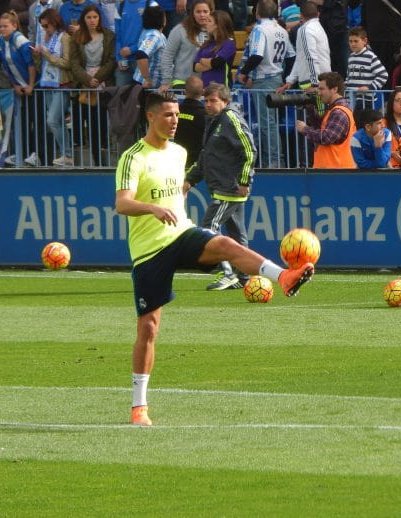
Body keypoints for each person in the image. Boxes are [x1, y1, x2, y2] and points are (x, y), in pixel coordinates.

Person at [115, 91, 314, 425]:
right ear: (150, 117)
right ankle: (139, 407)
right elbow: (122, 204)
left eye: (177, 114)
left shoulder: (179, 153)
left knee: (223, 243)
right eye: (167, 115)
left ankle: (284, 277)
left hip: (180, 234)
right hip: (148, 250)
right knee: (149, 328)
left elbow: (179, 187)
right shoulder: (134, 157)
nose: (174, 120)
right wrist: (151, 207)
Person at [185, 82, 256, 290]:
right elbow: (206, 156)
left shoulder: (230, 119)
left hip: (229, 188)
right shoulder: (214, 120)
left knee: (208, 229)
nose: (208, 104)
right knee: (237, 235)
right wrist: (191, 179)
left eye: (213, 100)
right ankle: (245, 279)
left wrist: (245, 181)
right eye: (206, 100)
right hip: (222, 186)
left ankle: (228, 273)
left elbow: (250, 151)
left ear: (225, 101)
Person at [236, 0, 294, 168]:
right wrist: (284, 76)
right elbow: (291, 56)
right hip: (277, 78)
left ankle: (274, 162)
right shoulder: (281, 30)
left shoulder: (259, 29)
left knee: (266, 124)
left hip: (263, 80)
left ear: (256, 13)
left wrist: (244, 73)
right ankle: (276, 160)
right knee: (271, 122)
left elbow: (257, 55)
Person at [69, 4, 116, 167]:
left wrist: (98, 77)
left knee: (101, 121)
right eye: (88, 17)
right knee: (86, 122)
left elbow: (111, 60)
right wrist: (87, 79)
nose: (92, 20)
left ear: (100, 18)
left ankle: (102, 157)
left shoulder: (109, 36)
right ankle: (89, 159)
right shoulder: (77, 37)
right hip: (84, 84)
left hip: (103, 83)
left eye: (95, 17)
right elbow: (73, 63)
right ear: (84, 19)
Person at [32, 9, 73, 168]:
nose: (44, 29)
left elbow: (67, 63)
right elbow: (41, 67)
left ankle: (67, 154)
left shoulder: (65, 38)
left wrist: (47, 54)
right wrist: (37, 55)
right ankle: (65, 154)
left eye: (46, 25)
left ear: (54, 22)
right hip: (47, 83)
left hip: (62, 84)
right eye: (42, 26)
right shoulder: (45, 38)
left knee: (52, 120)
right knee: (56, 122)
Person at [0, 11, 38, 166]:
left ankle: (36, 154)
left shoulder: (20, 40)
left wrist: (31, 85)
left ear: (14, 26)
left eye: (5, 26)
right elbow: (6, 66)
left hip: (35, 85)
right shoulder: (0, 41)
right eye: (0, 26)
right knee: (22, 122)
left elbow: (31, 64)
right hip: (19, 87)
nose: (2, 29)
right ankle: (20, 153)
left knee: (36, 121)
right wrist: (15, 84)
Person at [296, 71, 356, 168]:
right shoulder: (335, 109)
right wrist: (311, 109)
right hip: (331, 170)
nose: (318, 93)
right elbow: (322, 128)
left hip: (335, 172)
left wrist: (305, 129)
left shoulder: (339, 112)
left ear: (334, 89)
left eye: (322, 89)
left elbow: (326, 137)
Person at [158, 0, 212, 92]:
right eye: (198, 12)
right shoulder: (180, 30)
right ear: (192, 13)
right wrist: (166, 82)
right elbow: (167, 56)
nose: (202, 15)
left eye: (205, 11)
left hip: (209, 83)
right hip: (182, 82)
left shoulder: (216, 31)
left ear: (211, 12)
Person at [276, 1, 330, 92]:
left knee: (318, 106)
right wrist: (290, 81)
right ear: (318, 14)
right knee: (321, 106)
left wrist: (315, 83)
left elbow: (310, 57)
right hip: (323, 80)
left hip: (311, 83)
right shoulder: (319, 28)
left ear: (300, 15)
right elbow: (301, 58)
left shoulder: (305, 29)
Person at [346, 26, 388, 113]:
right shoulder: (351, 57)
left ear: (364, 41)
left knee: (363, 123)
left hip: (366, 100)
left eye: (356, 41)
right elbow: (349, 77)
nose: (352, 44)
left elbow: (383, 75)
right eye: (350, 41)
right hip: (350, 98)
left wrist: (370, 87)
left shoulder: (371, 56)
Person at [114, 0, 153, 86]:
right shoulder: (120, 6)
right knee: (120, 96)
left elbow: (154, 35)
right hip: (124, 61)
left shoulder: (151, 4)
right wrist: (118, 57)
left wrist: (132, 49)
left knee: (141, 96)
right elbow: (117, 36)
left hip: (144, 60)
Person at [193, 10, 235, 86]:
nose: (206, 24)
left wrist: (202, 61)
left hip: (221, 89)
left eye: (209, 21)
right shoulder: (206, 44)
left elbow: (217, 63)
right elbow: (195, 67)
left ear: (218, 25)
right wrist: (210, 63)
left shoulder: (229, 43)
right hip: (205, 89)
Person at [174, 75, 205, 168]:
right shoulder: (205, 114)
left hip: (178, 160)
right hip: (197, 162)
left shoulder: (175, 111)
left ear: (184, 91)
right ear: (202, 92)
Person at [133, 5, 167, 88]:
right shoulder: (154, 35)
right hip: (145, 86)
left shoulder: (150, 33)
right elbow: (141, 54)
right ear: (162, 19)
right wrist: (147, 79)